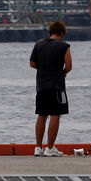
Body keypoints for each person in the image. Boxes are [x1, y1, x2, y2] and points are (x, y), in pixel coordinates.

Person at [30, 20, 72, 157]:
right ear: (62, 33)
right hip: (57, 86)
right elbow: (69, 66)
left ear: (50, 32)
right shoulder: (64, 45)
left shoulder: (39, 44)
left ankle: (38, 147)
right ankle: (50, 148)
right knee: (55, 114)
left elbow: (32, 63)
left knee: (42, 115)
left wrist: (44, 69)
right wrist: (62, 72)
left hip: (41, 86)